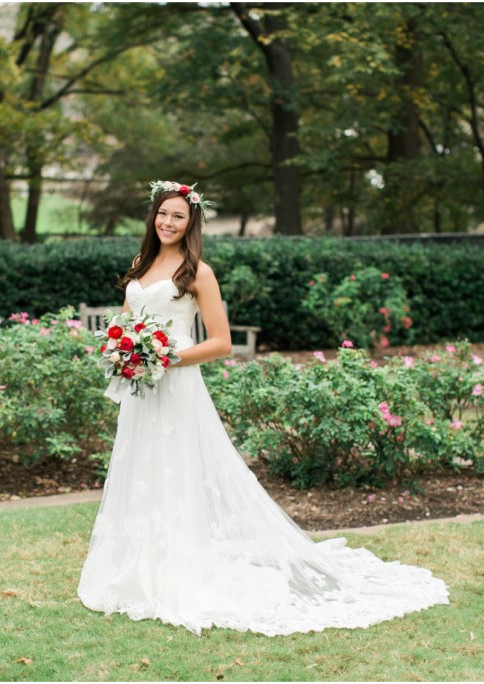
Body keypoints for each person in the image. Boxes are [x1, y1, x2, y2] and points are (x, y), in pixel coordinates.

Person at [77, 181, 449, 636]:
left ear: (192, 222)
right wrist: (125, 351)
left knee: (177, 470)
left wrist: (165, 356)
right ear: (152, 217)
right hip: (142, 388)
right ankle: (138, 567)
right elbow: (126, 323)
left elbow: (221, 343)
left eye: (178, 216)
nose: (168, 223)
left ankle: (180, 570)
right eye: (162, 214)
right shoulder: (141, 264)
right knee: (141, 469)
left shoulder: (198, 272)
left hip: (176, 387)